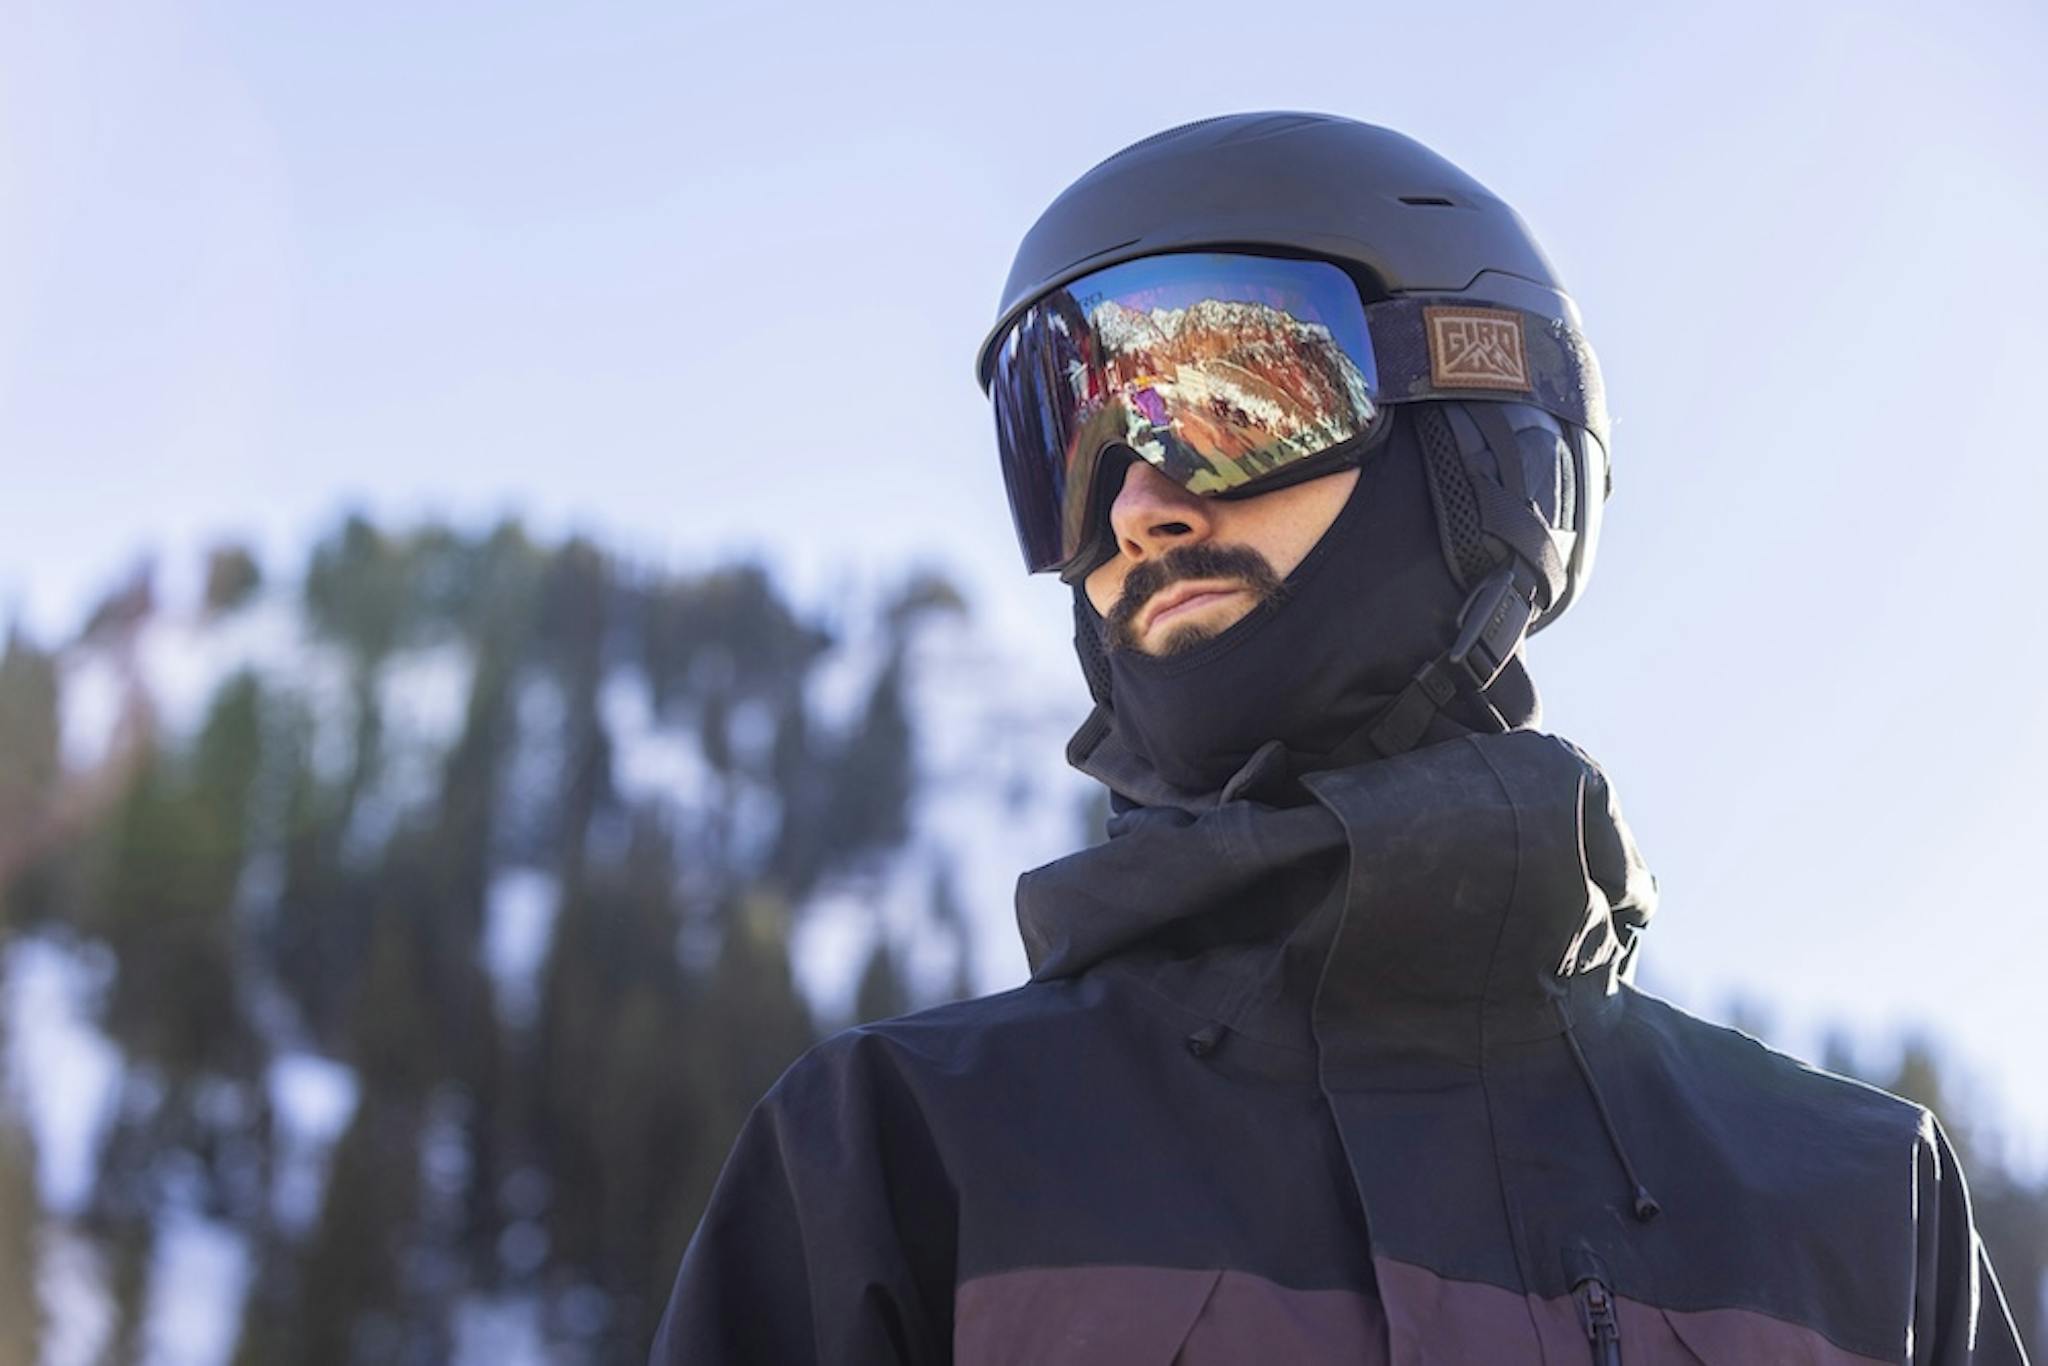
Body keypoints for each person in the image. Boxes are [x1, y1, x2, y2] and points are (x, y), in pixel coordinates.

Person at [651, 113, 2028, 1364]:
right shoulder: (903, 1156)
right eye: (1067, 441)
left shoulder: (1855, 1205)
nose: (1135, 507)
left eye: (1224, 402)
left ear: (1475, 442)